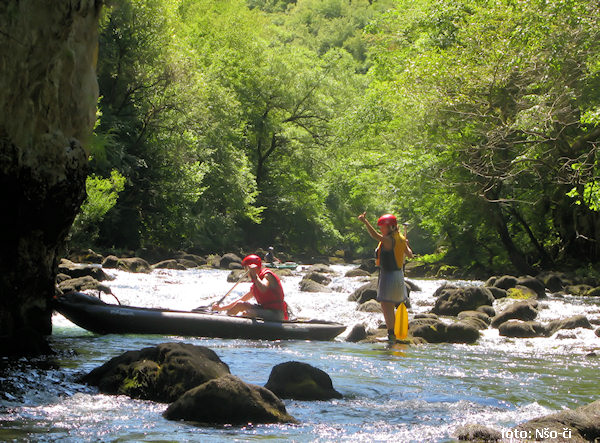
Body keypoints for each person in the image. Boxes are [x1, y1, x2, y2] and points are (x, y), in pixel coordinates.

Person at [357, 212, 413, 341]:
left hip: (389, 276)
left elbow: (374, 236)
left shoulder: (389, 240)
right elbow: (410, 255)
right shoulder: (401, 239)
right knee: (389, 305)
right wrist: (406, 244)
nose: (381, 229)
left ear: (391, 227)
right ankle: (392, 334)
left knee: (386, 306)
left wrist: (365, 222)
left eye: (383, 227)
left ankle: (391, 334)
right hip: (398, 275)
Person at [212, 254, 288, 321]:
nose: (246, 272)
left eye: (246, 269)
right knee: (239, 305)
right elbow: (242, 299)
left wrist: (255, 276)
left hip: (276, 313)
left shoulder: (267, 275)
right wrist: (221, 308)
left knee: (247, 313)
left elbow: (263, 289)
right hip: (264, 309)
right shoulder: (255, 286)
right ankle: (225, 322)